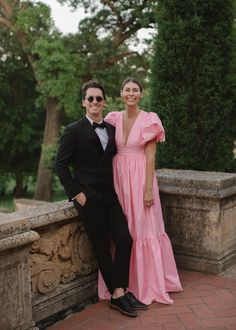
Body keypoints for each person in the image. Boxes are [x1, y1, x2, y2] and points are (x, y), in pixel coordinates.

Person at [55, 80, 148, 317]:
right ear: (83, 102)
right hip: (88, 200)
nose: (95, 102)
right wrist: (76, 193)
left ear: (105, 102)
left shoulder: (111, 129)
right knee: (102, 247)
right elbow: (60, 166)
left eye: (99, 98)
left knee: (125, 241)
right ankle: (118, 296)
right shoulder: (73, 131)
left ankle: (120, 291)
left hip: (110, 196)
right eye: (90, 99)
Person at [99, 77, 183, 305]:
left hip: (140, 179)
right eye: (127, 89)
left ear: (141, 94)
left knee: (142, 228)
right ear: (121, 93)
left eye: (135, 90)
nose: (131, 93)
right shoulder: (113, 118)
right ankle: (121, 284)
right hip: (119, 180)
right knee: (122, 231)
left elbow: (151, 156)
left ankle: (146, 284)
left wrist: (147, 189)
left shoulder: (149, 120)